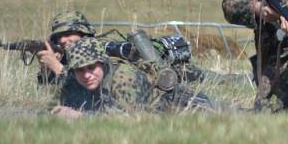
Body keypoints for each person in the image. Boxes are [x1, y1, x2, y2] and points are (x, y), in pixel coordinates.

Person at [36, 11, 246, 89]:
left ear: (84, 34)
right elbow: (53, 89)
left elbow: (97, 86)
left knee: (224, 81)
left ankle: (252, 79)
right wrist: (48, 67)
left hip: (166, 75)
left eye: (69, 34)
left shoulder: (101, 51)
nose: (64, 41)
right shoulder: (67, 59)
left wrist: (57, 68)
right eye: (59, 37)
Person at [52, 37, 220, 117]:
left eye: (91, 67)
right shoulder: (72, 80)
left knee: (233, 115)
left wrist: (81, 117)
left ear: (103, 63)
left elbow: (131, 119)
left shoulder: (124, 79)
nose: (87, 75)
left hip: (181, 107)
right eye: (80, 70)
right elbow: (50, 110)